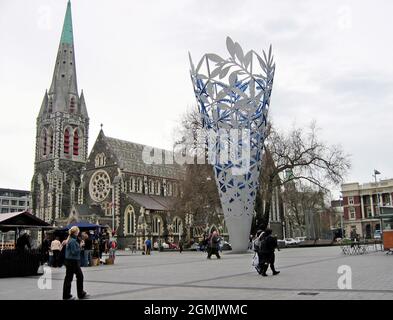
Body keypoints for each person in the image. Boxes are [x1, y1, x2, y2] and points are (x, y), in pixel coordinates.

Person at [62, 226, 89, 300]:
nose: (78, 233)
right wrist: (80, 246)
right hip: (73, 261)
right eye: (78, 231)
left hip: (70, 261)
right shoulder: (73, 241)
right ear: (76, 232)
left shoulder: (70, 239)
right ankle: (78, 294)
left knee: (69, 278)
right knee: (78, 276)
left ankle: (68, 295)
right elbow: (74, 252)